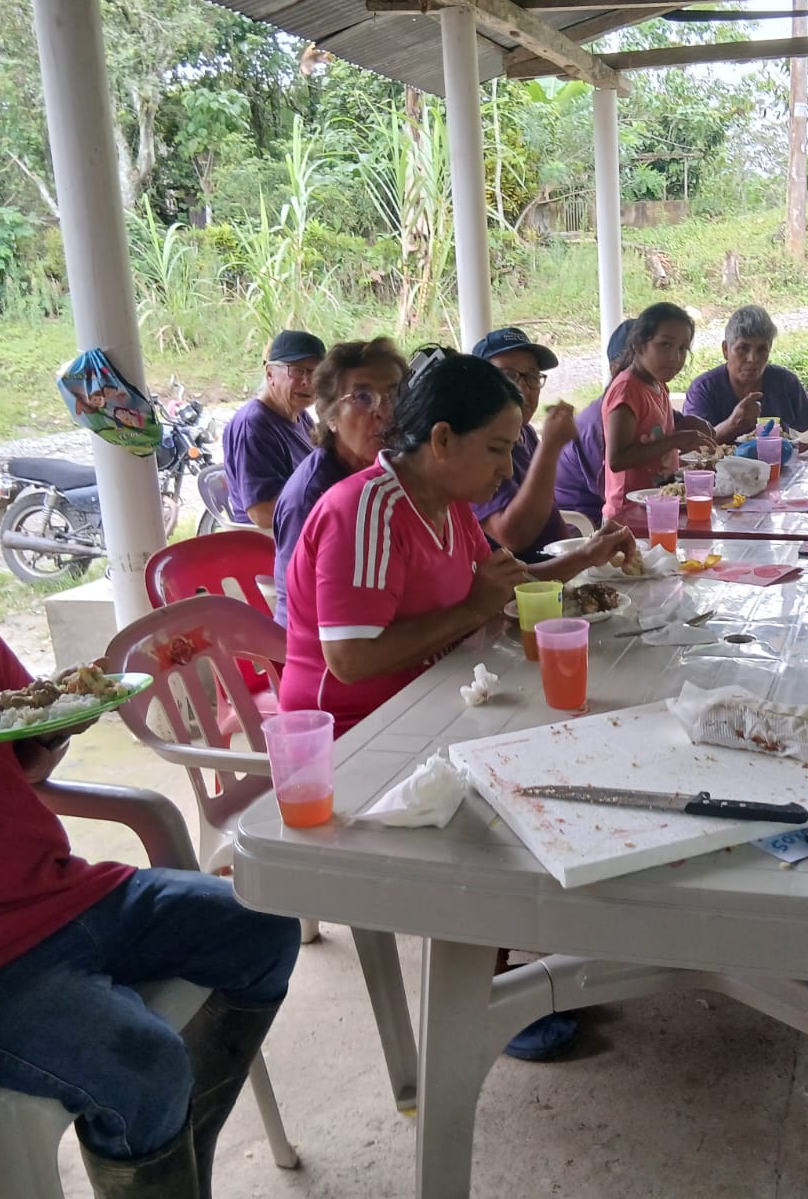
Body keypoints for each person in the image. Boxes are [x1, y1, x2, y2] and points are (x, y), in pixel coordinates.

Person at [0, 443, 300, 1196]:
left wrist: (55, 728)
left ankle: (173, 1150)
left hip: (57, 895)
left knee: (263, 923)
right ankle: (158, 1140)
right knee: (141, 1064)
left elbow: (21, 765)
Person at [279, 353, 636, 1063]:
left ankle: (530, 938)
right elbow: (350, 660)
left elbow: (504, 584)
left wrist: (587, 555)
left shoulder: (443, 506)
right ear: (442, 440)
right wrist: (475, 608)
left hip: (429, 700)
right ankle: (481, 988)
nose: (508, 468)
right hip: (357, 736)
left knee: (576, 729)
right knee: (515, 783)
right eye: (499, 449)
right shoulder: (367, 510)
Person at [271, 337, 406, 626]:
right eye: (363, 398)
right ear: (329, 415)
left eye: (394, 396)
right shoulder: (311, 498)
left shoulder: (395, 473)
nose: (384, 412)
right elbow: (310, 609)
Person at [602, 303, 715, 527]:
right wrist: (674, 441)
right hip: (627, 516)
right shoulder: (627, 390)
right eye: (665, 345)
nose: (675, 357)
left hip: (658, 506)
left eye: (683, 348)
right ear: (638, 345)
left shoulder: (658, 385)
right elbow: (617, 459)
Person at [470, 326, 576, 560]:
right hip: (525, 579)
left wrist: (584, 548)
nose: (523, 388)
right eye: (508, 376)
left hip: (557, 562)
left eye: (532, 376)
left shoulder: (525, 432)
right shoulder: (476, 444)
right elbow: (512, 537)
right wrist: (551, 446)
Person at [223, 329, 326, 529]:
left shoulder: (300, 415)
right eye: (297, 371)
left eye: (317, 373)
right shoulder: (254, 425)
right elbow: (262, 513)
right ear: (270, 374)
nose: (308, 382)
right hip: (272, 537)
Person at [683, 305, 808, 439]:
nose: (753, 358)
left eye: (762, 349)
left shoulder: (784, 383)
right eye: (743, 348)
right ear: (726, 350)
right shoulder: (703, 389)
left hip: (777, 461)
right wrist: (732, 424)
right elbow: (692, 446)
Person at [554, 319, 633, 527]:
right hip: (582, 524)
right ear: (615, 370)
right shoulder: (598, 425)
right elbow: (618, 492)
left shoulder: (647, 402)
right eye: (636, 368)